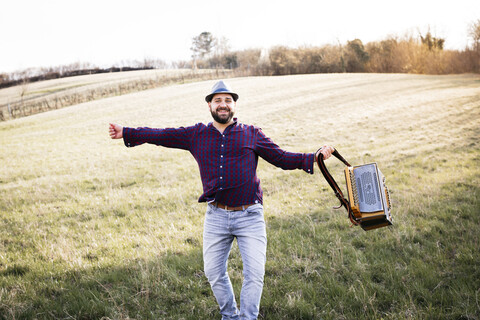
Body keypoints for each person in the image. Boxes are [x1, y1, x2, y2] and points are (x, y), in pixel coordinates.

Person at [109, 80, 334, 320]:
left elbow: (281, 158)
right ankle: (230, 316)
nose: (223, 105)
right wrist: (128, 132)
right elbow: (162, 135)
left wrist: (314, 157)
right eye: (218, 100)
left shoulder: (252, 134)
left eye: (228, 100)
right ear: (209, 105)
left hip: (250, 216)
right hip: (216, 216)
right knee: (214, 273)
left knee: (254, 274)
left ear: (234, 105)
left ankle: (247, 318)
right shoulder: (195, 135)